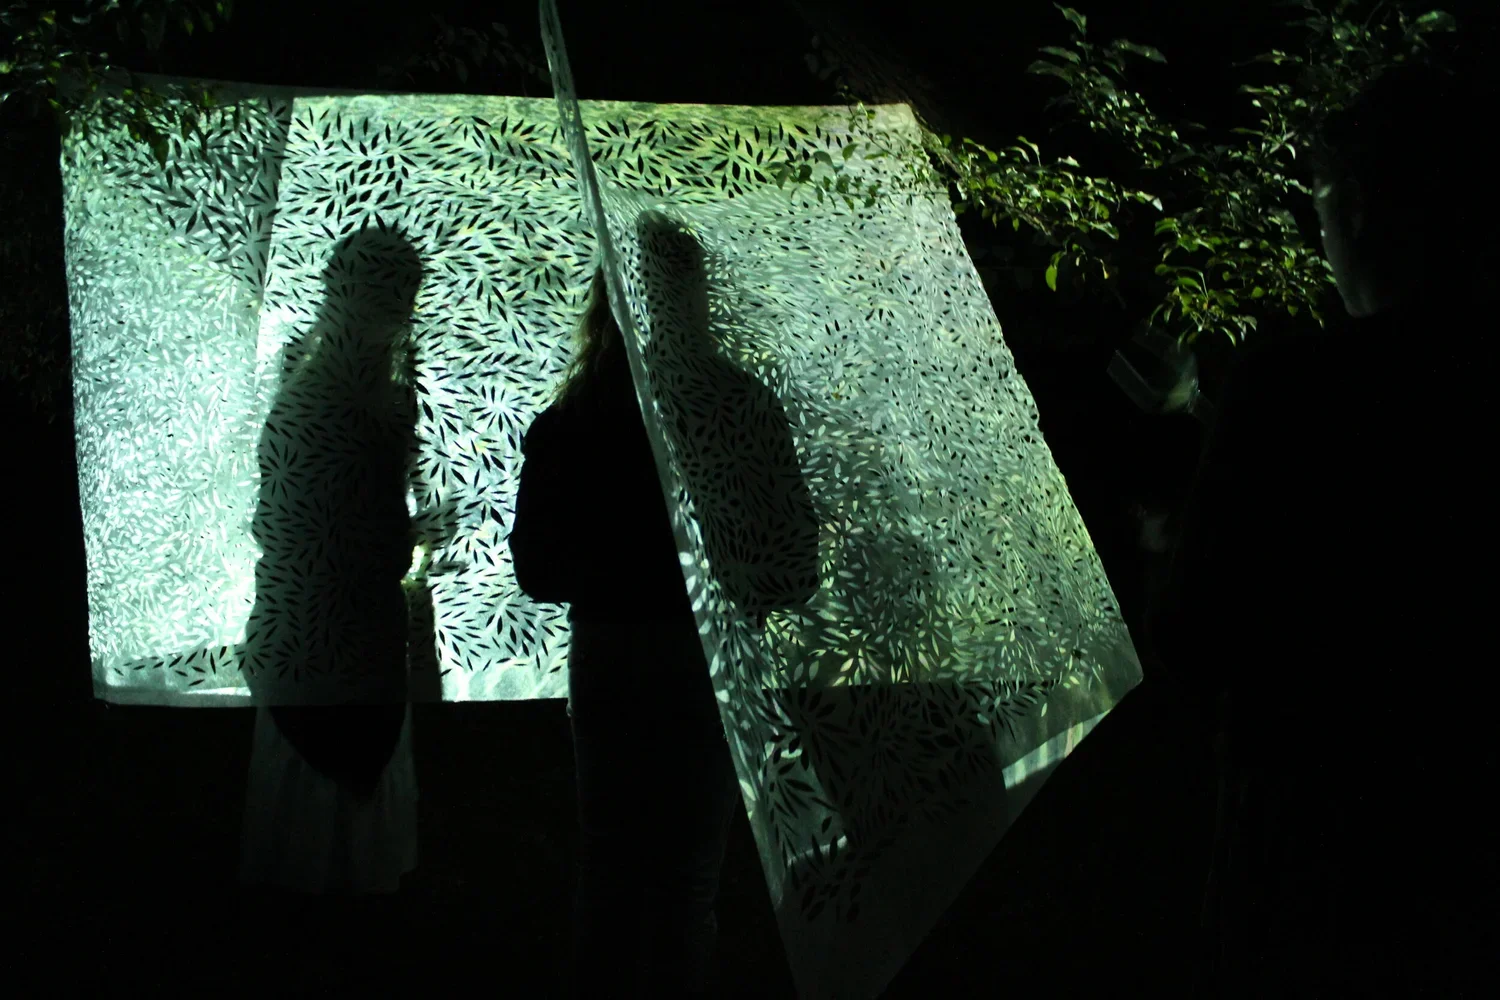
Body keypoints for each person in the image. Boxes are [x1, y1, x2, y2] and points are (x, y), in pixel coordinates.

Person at [1145, 60, 1490, 996]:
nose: (1322, 231)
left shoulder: (1298, 388)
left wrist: (1175, 540)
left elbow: (1199, 637)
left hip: (1313, 863)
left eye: (1324, 202)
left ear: (1368, 209)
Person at [509, 265, 743, 997]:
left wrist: (611, 568)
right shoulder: (730, 407)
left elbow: (538, 570)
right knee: (687, 878)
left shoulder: (573, 420)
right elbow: (785, 553)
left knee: (610, 869)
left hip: (610, 654)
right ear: (696, 302)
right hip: (701, 658)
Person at [239, 225, 424, 896]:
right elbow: (371, 545)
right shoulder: (357, 406)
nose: (405, 315)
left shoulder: (308, 392)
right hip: (338, 670)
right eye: (399, 298)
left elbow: (280, 525)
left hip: (300, 660)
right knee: (334, 872)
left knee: (308, 871)